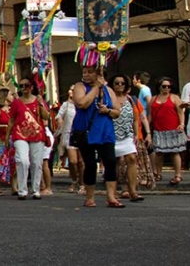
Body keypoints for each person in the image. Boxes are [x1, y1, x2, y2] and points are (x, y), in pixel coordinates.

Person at [72, 65, 123, 208]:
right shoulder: (80, 86)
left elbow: (117, 111)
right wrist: (95, 88)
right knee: (90, 164)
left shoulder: (109, 90)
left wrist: (108, 111)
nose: (86, 75)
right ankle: (89, 197)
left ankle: (111, 196)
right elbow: (82, 103)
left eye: (90, 72)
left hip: (105, 131)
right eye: (84, 72)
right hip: (86, 130)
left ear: (98, 74)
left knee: (110, 161)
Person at [6, 78, 49, 200]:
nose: (24, 88)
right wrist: (7, 137)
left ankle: (36, 189)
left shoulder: (38, 100)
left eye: (26, 85)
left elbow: (46, 117)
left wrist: (41, 104)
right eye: (21, 85)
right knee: (22, 161)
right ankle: (22, 190)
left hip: (37, 134)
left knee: (36, 162)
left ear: (32, 87)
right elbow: (11, 120)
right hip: (20, 134)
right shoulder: (16, 102)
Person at [110, 74, 144, 202]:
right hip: (112, 135)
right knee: (113, 162)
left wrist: (136, 134)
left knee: (131, 159)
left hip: (127, 135)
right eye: (116, 83)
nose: (119, 85)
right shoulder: (108, 99)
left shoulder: (130, 99)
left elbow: (135, 119)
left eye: (122, 83)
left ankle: (133, 191)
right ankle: (113, 191)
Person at [149, 77, 186, 185]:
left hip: (173, 129)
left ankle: (178, 175)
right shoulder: (153, 99)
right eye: (164, 86)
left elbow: (180, 112)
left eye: (169, 86)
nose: (166, 88)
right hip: (158, 129)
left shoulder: (174, 98)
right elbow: (150, 114)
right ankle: (158, 173)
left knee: (174, 152)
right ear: (159, 87)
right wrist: (147, 127)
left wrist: (182, 124)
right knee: (159, 153)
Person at [55, 86, 83, 193]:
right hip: (69, 135)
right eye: (70, 89)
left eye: (73, 89)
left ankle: (82, 183)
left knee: (81, 161)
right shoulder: (65, 105)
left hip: (81, 134)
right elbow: (59, 115)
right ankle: (74, 180)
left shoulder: (82, 104)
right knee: (73, 161)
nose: (71, 91)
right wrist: (60, 120)